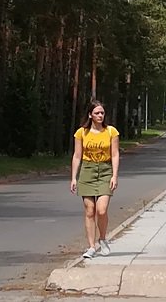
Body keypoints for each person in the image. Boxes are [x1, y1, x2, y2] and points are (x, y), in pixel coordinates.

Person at [70, 100, 120, 259]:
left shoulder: (111, 132)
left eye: (102, 113)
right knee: (90, 210)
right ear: (90, 115)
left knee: (102, 209)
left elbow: (115, 154)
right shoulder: (81, 133)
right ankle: (91, 247)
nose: (100, 115)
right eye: (97, 113)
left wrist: (114, 175)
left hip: (105, 170)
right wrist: (74, 178)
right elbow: (77, 156)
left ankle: (103, 239)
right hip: (87, 171)